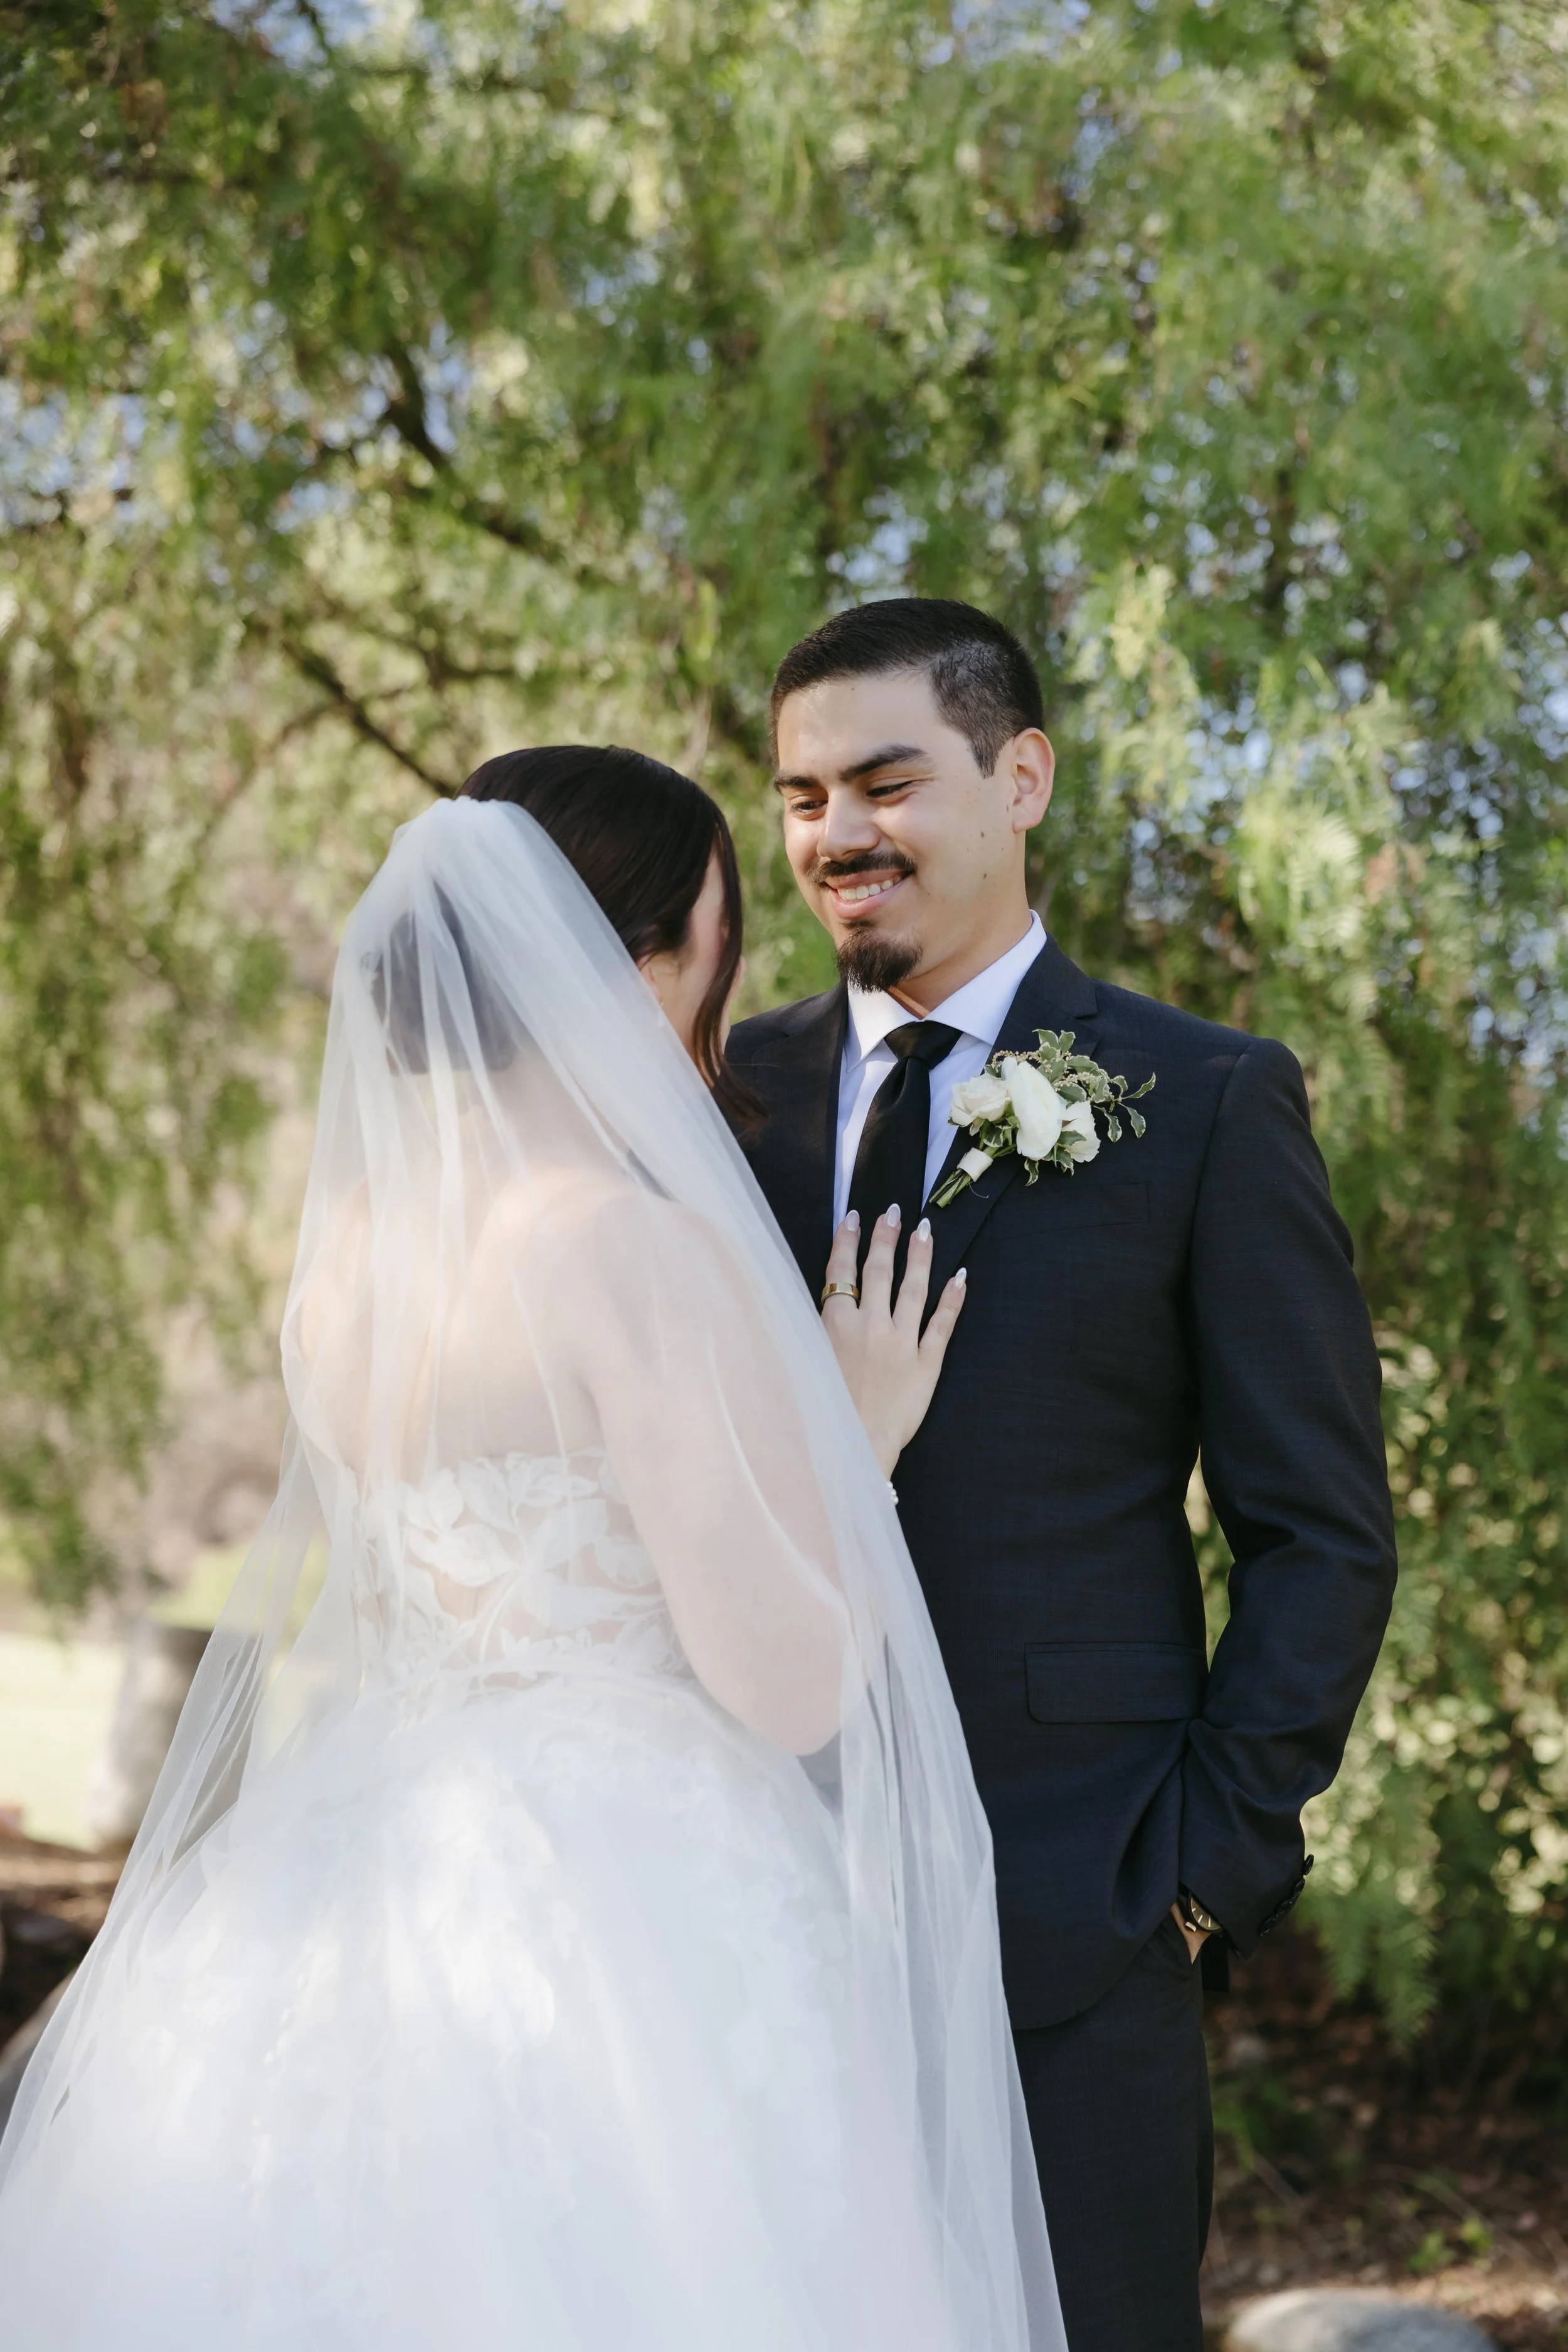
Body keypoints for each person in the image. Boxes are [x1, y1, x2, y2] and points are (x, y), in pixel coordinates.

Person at [0, 747, 1065, 2352]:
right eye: (715, 937)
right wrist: (859, 1448)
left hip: (357, 1843)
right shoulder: (619, 1246)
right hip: (623, 1893)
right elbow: (783, 1685)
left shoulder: (347, 1267)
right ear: (636, 964)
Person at [728, 600, 1399, 2352]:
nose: (835, 837)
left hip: (1080, 1918)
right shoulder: (715, 1101)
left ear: (1019, 776)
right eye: (801, 797)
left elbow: (1319, 1533)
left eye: (884, 780)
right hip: (735, 1910)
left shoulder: (1200, 1100)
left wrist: (1192, 1877)